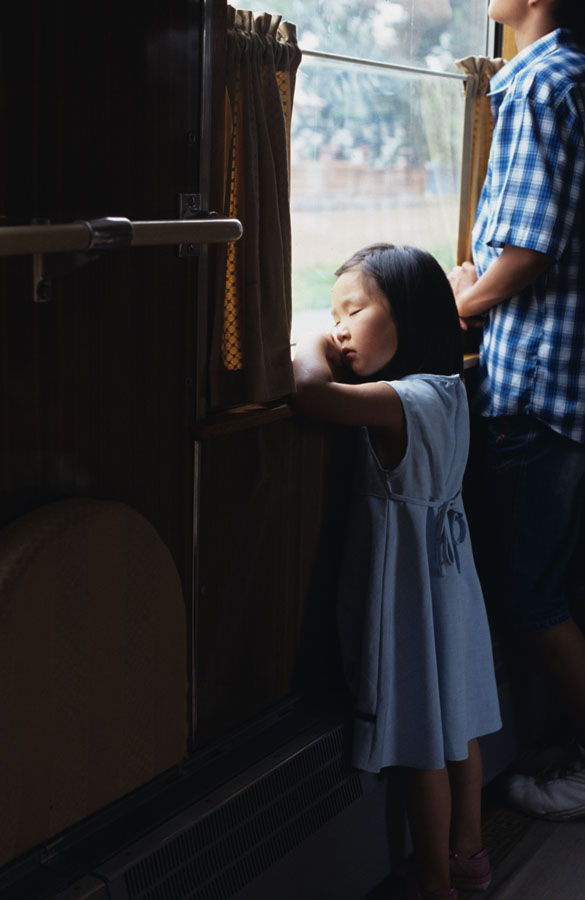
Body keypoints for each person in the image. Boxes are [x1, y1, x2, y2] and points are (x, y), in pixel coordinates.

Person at [293, 244, 502, 900]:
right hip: (453, 582)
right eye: (333, 315)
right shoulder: (446, 391)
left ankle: (433, 882)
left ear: (406, 315)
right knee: (457, 721)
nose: (340, 327)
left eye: (354, 309)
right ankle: (468, 851)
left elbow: (308, 391)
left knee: (419, 745)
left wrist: (305, 334)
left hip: (412, 592)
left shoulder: (398, 402)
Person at [448, 0, 585, 820]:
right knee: (562, 585)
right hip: (571, 380)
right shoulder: (568, 76)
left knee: (529, 597)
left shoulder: (539, 84)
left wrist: (471, 293)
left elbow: (529, 248)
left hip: (536, 384)